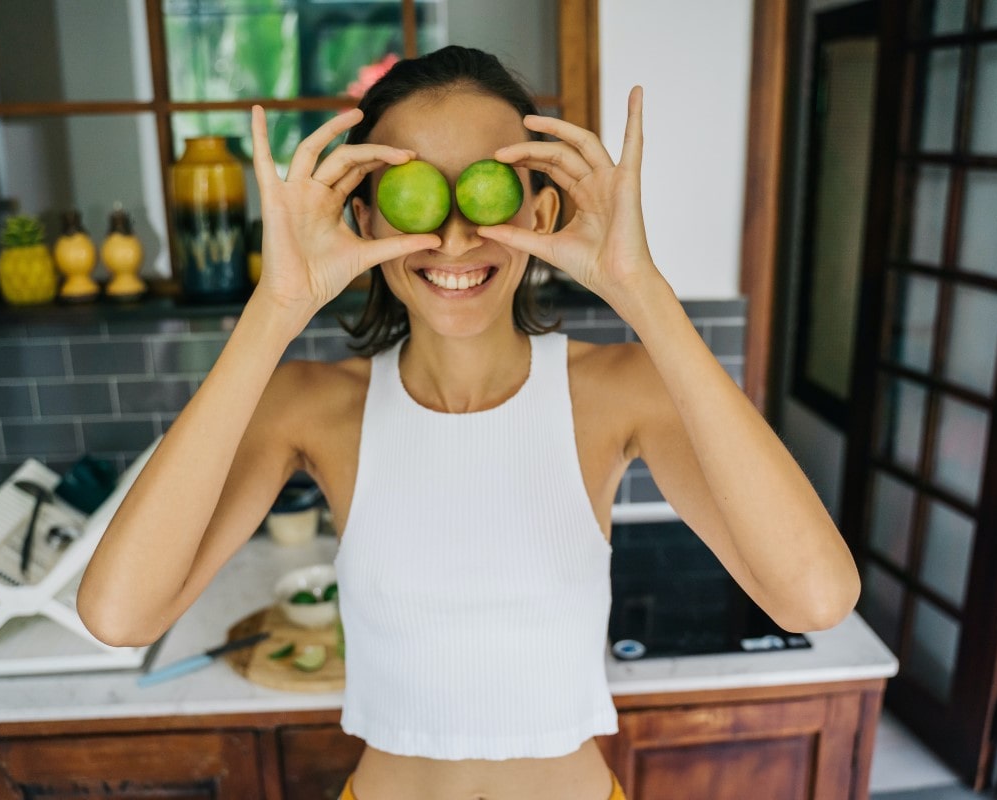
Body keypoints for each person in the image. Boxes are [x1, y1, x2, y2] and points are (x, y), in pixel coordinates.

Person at [78, 45, 860, 800]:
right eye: (415, 193)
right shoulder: (309, 406)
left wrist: (640, 287)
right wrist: (274, 309)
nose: (455, 237)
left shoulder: (623, 390)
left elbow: (815, 598)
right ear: (364, 217)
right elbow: (121, 614)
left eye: (484, 189)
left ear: (542, 207)